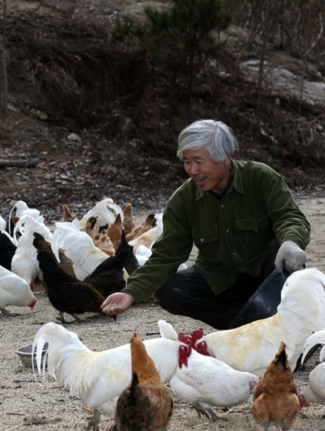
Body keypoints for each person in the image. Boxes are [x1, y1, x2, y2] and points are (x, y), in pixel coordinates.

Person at [101, 119, 310, 329]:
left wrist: (291, 242)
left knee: (280, 249)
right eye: (186, 161)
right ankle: (242, 325)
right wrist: (130, 292)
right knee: (170, 291)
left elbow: (289, 217)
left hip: (266, 277)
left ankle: (282, 319)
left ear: (225, 158)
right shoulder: (183, 199)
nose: (192, 170)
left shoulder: (261, 178)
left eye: (199, 161)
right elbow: (167, 254)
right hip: (221, 281)